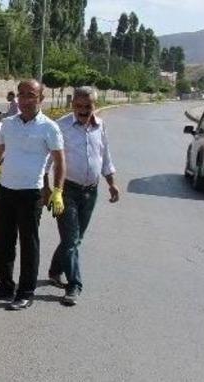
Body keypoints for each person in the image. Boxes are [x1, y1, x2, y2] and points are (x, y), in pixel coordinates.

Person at [0, 79, 66, 310]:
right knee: (4, 241)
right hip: (6, 191)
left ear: (41, 98)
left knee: (28, 244)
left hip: (31, 194)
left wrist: (58, 191)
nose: (23, 99)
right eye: (20, 94)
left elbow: (60, 161)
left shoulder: (49, 127)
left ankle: (25, 292)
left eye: (30, 94)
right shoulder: (9, 124)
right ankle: (5, 286)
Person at [47, 86, 120, 306]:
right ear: (72, 105)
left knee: (75, 239)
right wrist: (46, 189)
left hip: (91, 191)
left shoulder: (100, 126)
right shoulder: (61, 127)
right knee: (71, 240)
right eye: (78, 106)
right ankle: (74, 286)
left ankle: (55, 270)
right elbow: (48, 160)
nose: (83, 110)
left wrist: (112, 184)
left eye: (87, 106)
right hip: (66, 190)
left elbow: (104, 156)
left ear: (94, 106)